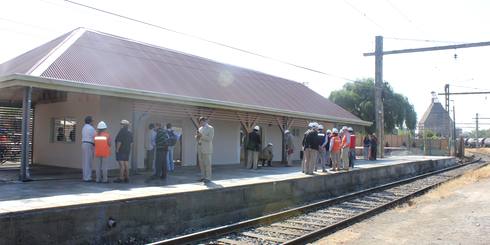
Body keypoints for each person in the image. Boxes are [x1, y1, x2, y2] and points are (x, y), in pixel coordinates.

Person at [195, 117, 214, 182]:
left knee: (207, 164)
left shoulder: (210, 128)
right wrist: (197, 136)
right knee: (201, 163)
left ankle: (208, 177)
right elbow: (199, 137)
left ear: (205, 121)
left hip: (207, 148)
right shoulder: (200, 128)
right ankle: (203, 177)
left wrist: (201, 135)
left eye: (201, 122)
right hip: (200, 147)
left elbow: (210, 139)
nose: (200, 123)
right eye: (200, 122)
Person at [81, 116, 95, 182]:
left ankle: (85, 176)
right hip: (89, 144)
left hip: (84, 144)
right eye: (92, 121)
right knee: (88, 161)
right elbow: (95, 136)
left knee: (85, 161)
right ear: (90, 121)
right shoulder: (91, 128)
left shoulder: (84, 127)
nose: (93, 122)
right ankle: (87, 177)